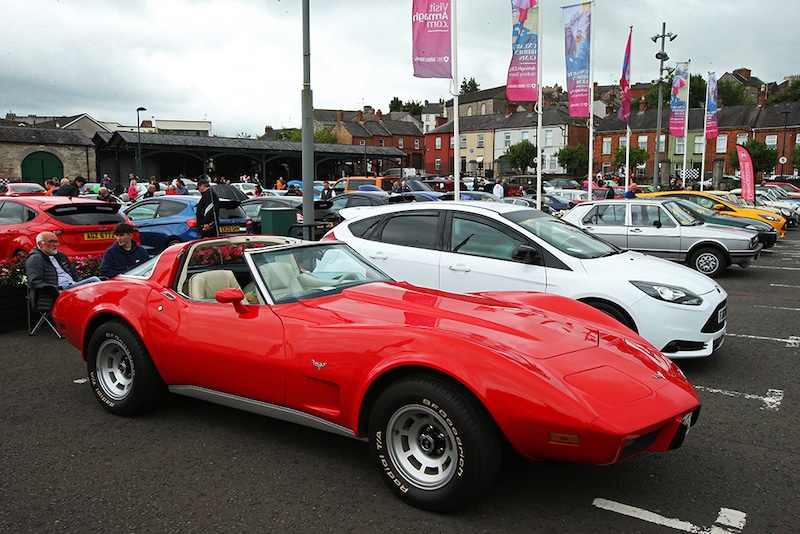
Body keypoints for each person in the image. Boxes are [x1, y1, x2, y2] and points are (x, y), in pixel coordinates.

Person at [26, 231, 101, 310]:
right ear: (40, 244)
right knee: (94, 281)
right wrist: (56, 290)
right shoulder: (35, 259)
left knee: (101, 283)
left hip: (72, 286)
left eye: (56, 242)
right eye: (51, 242)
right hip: (59, 289)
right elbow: (34, 282)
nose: (55, 245)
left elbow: (75, 275)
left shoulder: (60, 256)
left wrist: (83, 286)